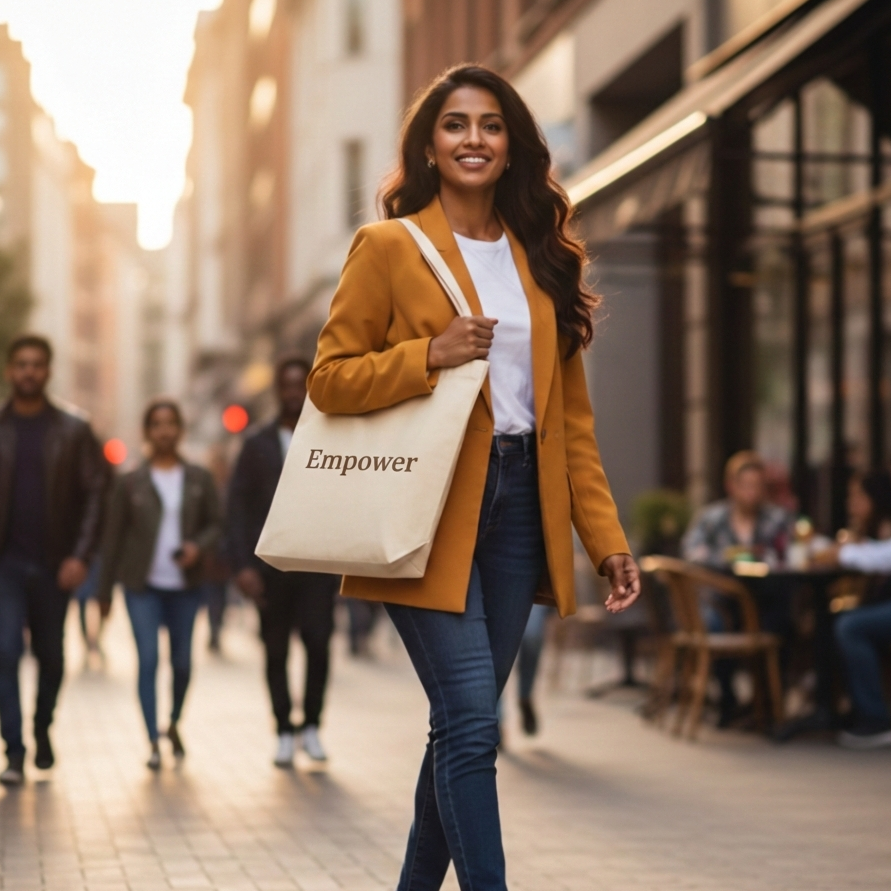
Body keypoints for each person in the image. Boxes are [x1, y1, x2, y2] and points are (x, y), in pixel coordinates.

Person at [307, 65, 639, 891]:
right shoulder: (387, 248)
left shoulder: (540, 258)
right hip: (429, 503)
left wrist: (605, 541)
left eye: (490, 125)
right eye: (455, 125)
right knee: (466, 721)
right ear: (429, 144)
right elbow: (329, 378)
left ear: (512, 145)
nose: (473, 140)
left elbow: (572, 426)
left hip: (524, 502)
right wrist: (430, 354)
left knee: (463, 727)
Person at [0, 335, 108, 785]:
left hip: (53, 564)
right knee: (4, 651)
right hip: (4, 565)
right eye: (21, 364)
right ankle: (15, 750)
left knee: (51, 655)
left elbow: (98, 494)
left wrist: (80, 556)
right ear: (10, 370)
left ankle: (42, 728)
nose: (29, 371)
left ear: (48, 370)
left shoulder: (73, 429)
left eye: (37, 364)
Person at [228, 356, 339, 767]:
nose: (294, 393)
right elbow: (236, 506)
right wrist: (241, 564)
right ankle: (283, 732)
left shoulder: (329, 435)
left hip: (316, 565)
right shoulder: (256, 443)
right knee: (275, 652)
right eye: (287, 386)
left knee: (318, 646)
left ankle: (311, 725)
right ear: (277, 390)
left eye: (300, 385)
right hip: (270, 570)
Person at [98, 399, 221, 770]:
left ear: (180, 430)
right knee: (148, 660)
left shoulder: (199, 478)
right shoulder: (130, 482)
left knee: (182, 663)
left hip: (187, 586)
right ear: (147, 431)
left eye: (171, 424)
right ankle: (152, 739)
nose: (164, 431)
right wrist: (102, 594)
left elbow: (218, 523)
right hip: (142, 586)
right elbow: (113, 538)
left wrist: (197, 547)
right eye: (157, 424)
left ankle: (174, 723)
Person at [682, 450, 795, 726]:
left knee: (782, 622)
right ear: (731, 485)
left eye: (758, 486)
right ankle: (727, 700)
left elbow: (790, 554)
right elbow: (691, 552)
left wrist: (762, 557)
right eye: (746, 485)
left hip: (765, 595)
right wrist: (729, 557)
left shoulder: (777, 518)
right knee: (717, 623)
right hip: (721, 598)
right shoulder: (712, 518)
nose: (752, 493)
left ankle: (767, 703)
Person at [815, 470, 891, 749]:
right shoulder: (873, 530)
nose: (851, 503)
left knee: (851, 626)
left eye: (857, 496)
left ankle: (875, 718)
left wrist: (844, 553)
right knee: (839, 621)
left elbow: (884, 557)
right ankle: (843, 706)